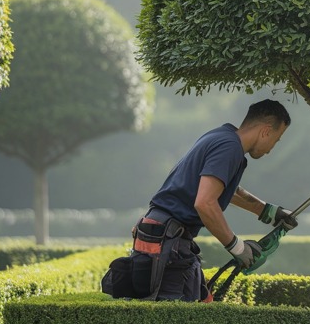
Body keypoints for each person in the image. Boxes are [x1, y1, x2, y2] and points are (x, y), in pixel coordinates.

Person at [127, 98, 297, 301]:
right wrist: (238, 247)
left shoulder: (222, 136)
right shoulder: (230, 148)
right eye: (276, 140)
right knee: (185, 312)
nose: (272, 148)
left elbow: (222, 188)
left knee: (202, 300)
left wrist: (267, 211)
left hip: (162, 232)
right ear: (266, 131)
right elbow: (205, 202)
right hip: (166, 238)